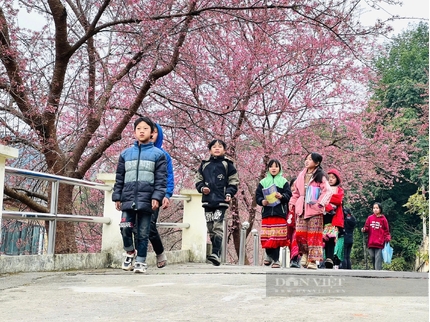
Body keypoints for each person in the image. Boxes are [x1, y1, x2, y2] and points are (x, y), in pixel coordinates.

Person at [112, 116, 167, 273]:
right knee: (125, 227)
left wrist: (157, 197)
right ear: (134, 133)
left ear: (151, 133)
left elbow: (161, 180)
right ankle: (130, 252)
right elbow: (119, 178)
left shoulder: (158, 155)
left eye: (145, 129)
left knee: (143, 232)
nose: (142, 131)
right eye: (138, 129)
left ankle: (141, 261)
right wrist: (117, 197)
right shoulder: (125, 154)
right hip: (128, 198)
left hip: (147, 200)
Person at [195, 139, 239, 266]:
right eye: (214, 147)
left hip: (221, 201)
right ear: (210, 150)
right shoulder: (204, 165)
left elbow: (234, 181)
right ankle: (217, 254)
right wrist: (202, 188)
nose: (217, 148)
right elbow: (198, 179)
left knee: (217, 226)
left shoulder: (228, 164)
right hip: (207, 201)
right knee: (210, 228)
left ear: (224, 150)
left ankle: (215, 252)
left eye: (220, 146)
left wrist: (229, 193)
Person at [288, 152, 332, 270]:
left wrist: (320, 204)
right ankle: (305, 254)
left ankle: (313, 260)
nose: (307, 161)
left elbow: (327, 191)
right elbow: (296, 192)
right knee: (300, 234)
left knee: (314, 235)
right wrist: (292, 203)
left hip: (314, 210)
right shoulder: (301, 175)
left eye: (310, 159)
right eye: (306, 159)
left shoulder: (320, 176)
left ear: (317, 163)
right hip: (301, 209)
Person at [255, 159, 292, 268]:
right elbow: (258, 196)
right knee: (267, 236)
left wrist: (281, 196)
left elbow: (288, 195)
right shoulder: (263, 182)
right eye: (271, 166)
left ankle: (276, 260)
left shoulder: (284, 182)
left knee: (276, 237)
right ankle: (269, 255)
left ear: (280, 168)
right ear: (268, 168)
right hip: (267, 213)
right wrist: (262, 201)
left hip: (279, 213)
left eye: (276, 166)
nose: (274, 168)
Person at [149, 123, 174, 269]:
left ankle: (159, 253)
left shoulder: (164, 155)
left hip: (155, 195)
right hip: (136, 194)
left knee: (150, 226)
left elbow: (169, 176)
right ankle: (136, 256)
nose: (151, 134)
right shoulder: (134, 152)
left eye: (154, 132)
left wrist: (167, 194)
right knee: (133, 227)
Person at [322, 168, 345, 269]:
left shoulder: (339, 190)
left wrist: (327, 197)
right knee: (324, 238)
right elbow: (321, 200)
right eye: (329, 178)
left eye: (333, 178)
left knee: (331, 238)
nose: (330, 179)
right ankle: (324, 258)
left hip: (334, 218)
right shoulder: (323, 189)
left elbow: (338, 200)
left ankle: (329, 258)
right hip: (324, 216)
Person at [361, 202, 391, 270]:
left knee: (378, 259)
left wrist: (387, 238)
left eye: (377, 208)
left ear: (380, 209)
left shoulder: (383, 219)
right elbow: (367, 227)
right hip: (371, 242)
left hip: (380, 243)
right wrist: (364, 229)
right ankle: (375, 272)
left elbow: (386, 230)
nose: (375, 209)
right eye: (374, 208)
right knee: (372, 256)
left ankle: (378, 273)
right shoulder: (370, 218)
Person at [286, 177, 301, 268]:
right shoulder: (287, 197)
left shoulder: (301, 198)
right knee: (290, 241)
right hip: (288, 223)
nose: (294, 188)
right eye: (292, 185)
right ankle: (294, 258)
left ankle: (294, 259)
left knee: (296, 239)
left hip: (298, 223)